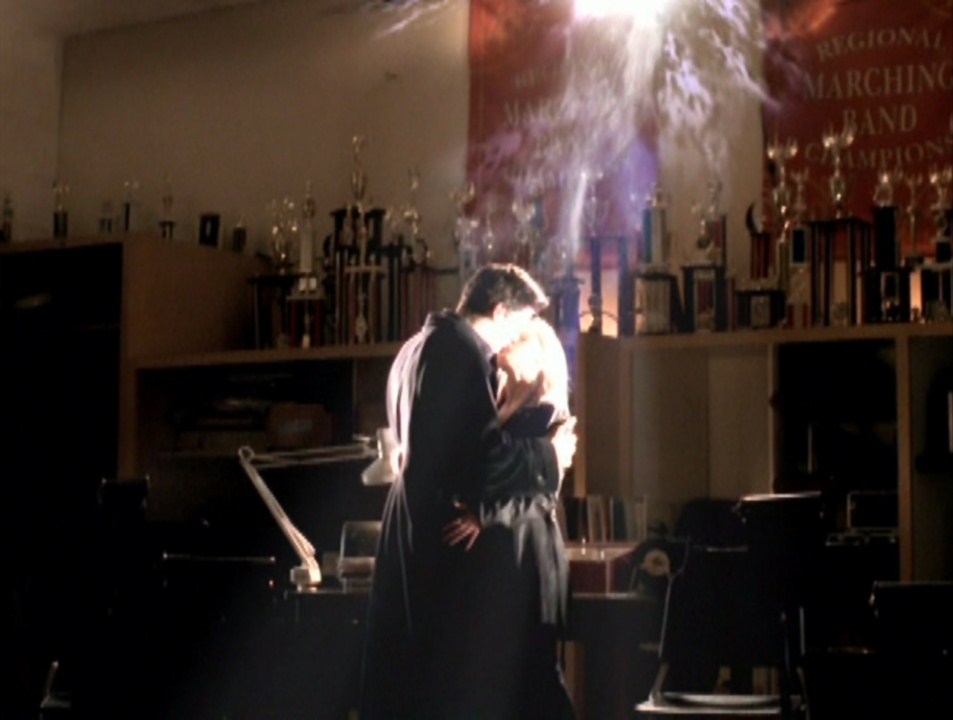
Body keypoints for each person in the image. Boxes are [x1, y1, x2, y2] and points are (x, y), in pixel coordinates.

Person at [359, 264, 578, 719]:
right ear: (500, 311)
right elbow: (481, 465)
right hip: (445, 560)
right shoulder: (460, 350)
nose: (516, 338)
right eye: (520, 322)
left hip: (421, 550)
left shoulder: (414, 348)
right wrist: (550, 456)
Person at [443, 315, 576, 720]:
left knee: (535, 677)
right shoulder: (504, 407)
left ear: (536, 357)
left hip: (529, 559)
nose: (502, 347)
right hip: (508, 560)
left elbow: (539, 499)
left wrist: (485, 514)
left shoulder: (545, 416)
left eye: (515, 341)